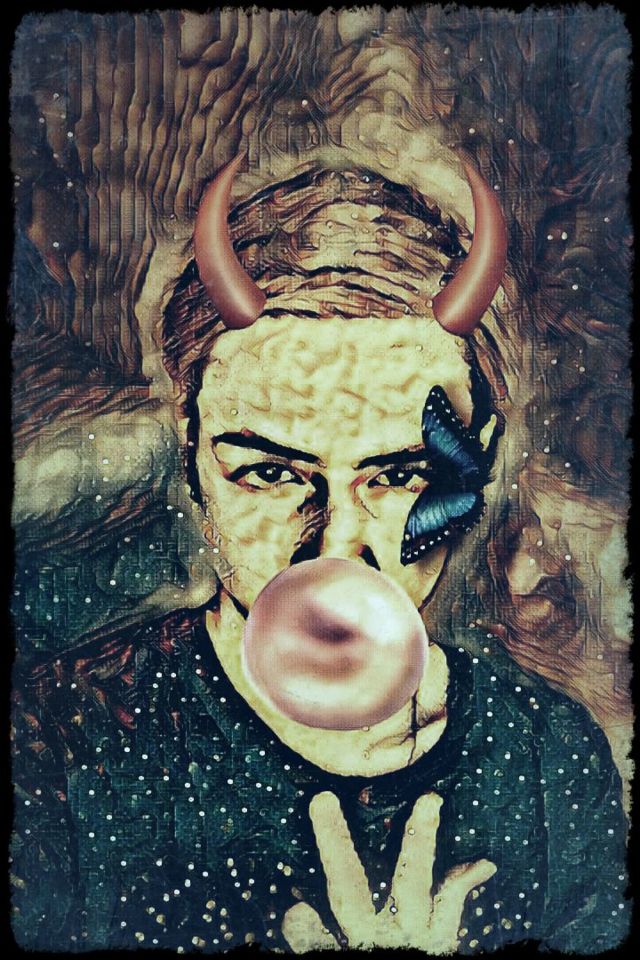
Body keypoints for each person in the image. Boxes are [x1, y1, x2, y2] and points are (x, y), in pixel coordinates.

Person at [11, 158, 629, 953]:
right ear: (192, 454)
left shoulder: (549, 757)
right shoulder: (58, 744)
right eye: (271, 473)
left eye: (401, 475)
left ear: (477, 457)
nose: (337, 544)